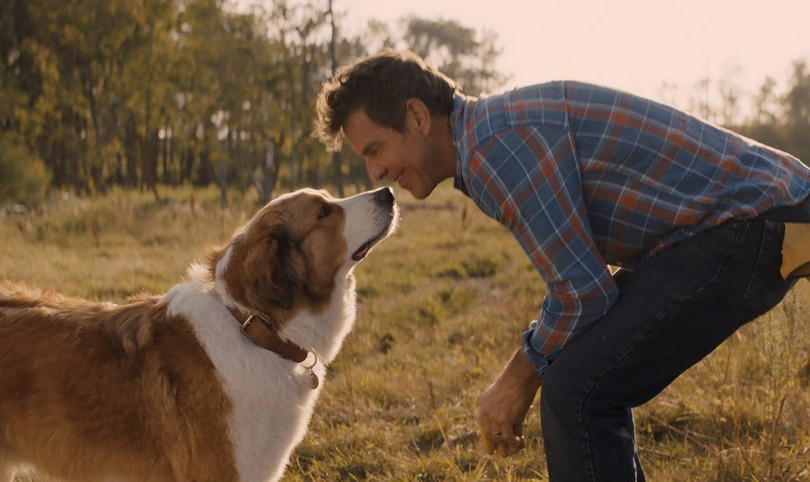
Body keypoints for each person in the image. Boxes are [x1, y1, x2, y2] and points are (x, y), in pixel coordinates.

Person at [313, 49, 810, 481]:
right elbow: (585, 287)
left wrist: (515, 379)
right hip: (746, 223)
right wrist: (530, 367)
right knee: (581, 383)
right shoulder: (490, 137)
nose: (374, 172)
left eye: (375, 149)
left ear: (418, 116)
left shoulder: (495, 147)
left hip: (753, 225)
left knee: (579, 391)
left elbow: (583, 292)